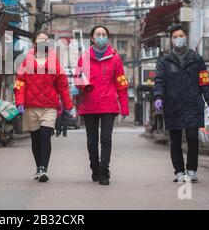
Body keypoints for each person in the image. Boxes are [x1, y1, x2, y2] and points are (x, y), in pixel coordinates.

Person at [154, 24, 209, 183]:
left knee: (193, 137)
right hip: (173, 105)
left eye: (180, 36)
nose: (178, 39)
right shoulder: (165, 61)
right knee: (175, 140)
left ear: (185, 37)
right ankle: (179, 171)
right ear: (171, 40)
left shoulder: (197, 59)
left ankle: (192, 170)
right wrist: (158, 96)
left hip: (192, 104)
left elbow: (204, 81)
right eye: (175, 37)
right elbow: (159, 80)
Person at [14, 31, 73, 182]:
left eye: (45, 40)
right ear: (34, 43)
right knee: (35, 139)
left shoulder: (54, 61)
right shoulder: (26, 61)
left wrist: (68, 104)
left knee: (45, 136)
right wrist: (19, 102)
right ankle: (38, 167)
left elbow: (63, 85)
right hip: (30, 106)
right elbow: (20, 83)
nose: (43, 42)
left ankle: (43, 169)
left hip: (49, 106)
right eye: (40, 40)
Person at [74, 25, 129, 185]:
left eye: (104, 34)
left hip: (108, 104)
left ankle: (104, 171)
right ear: (92, 38)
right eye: (98, 34)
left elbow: (121, 83)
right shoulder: (84, 57)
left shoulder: (115, 58)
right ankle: (95, 168)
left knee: (106, 138)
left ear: (107, 38)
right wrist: (83, 84)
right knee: (92, 140)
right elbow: (76, 78)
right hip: (89, 104)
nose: (101, 37)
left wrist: (124, 106)